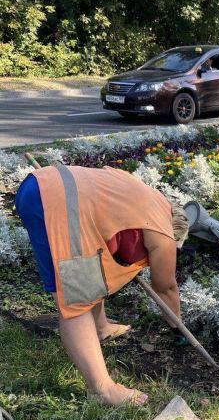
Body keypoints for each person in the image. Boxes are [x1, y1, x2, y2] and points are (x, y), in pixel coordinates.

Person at [15, 165, 189, 407]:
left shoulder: (154, 200)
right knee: (77, 299)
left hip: (40, 187)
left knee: (89, 268)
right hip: (59, 203)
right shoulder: (164, 234)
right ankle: (103, 390)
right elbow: (165, 287)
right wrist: (177, 327)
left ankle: (100, 326)